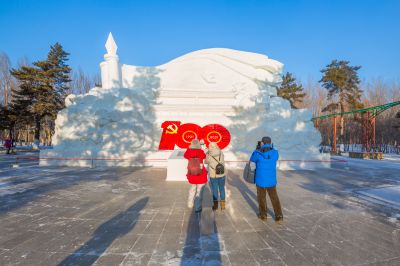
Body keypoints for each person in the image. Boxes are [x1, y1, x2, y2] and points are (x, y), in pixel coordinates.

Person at [250, 136, 283, 222]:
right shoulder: (275, 153)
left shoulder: (257, 153)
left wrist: (256, 149)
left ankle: (263, 215)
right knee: (274, 197)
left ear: (263, 142)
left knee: (261, 197)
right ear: (270, 142)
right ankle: (279, 216)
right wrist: (274, 148)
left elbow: (252, 160)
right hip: (271, 180)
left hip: (260, 180)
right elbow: (276, 154)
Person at [184, 139, 208, 213]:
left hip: (192, 174)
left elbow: (185, 156)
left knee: (192, 189)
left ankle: (190, 204)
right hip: (200, 174)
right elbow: (204, 156)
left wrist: (189, 148)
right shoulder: (200, 152)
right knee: (199, 192)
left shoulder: (188, 152)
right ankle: (198, 207)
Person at [205, 142, 226, 211]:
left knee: (214, 190)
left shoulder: (209, 154)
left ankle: (215, 206)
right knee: (222, 189)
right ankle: (223, 206)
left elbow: (206, 162)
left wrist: (206, 152)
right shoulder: (221, 152)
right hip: (222, 174)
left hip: (213, 175)